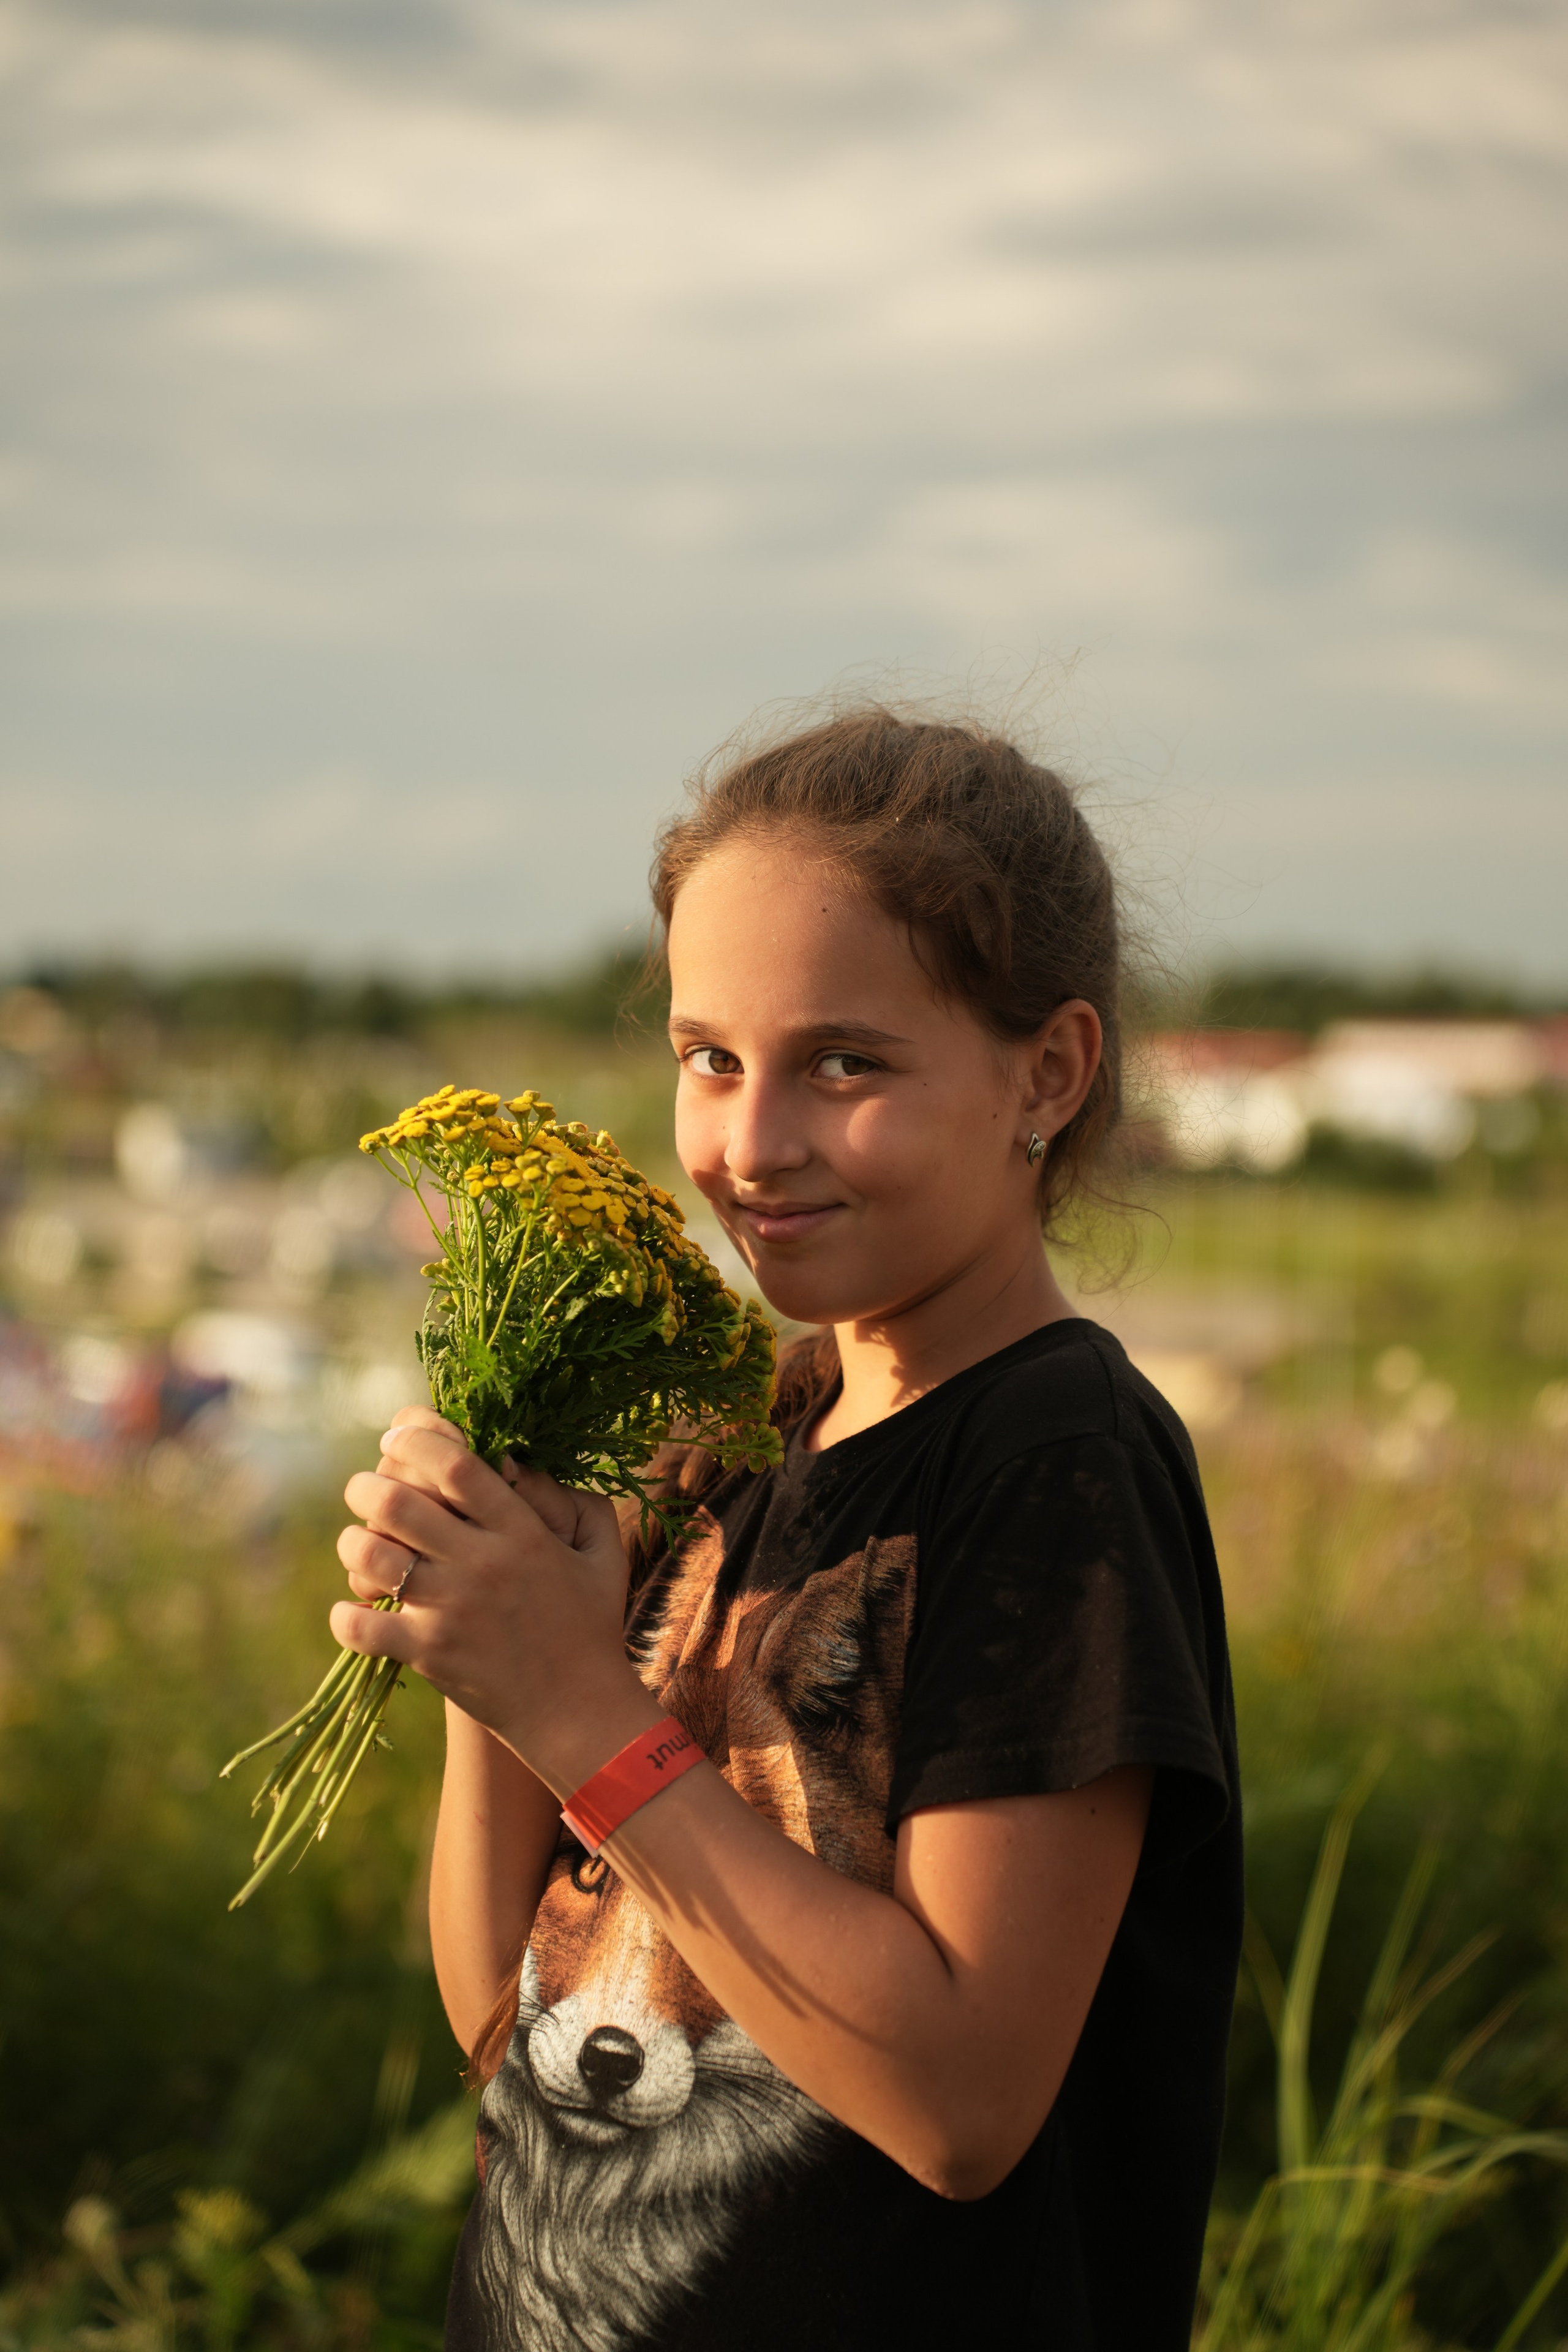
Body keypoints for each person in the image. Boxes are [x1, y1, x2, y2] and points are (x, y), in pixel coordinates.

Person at [333, 708, 1243, 2352]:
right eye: (710, 1057)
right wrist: (490, 1654)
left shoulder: (1057, 1463)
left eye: (847, 1064)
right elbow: (508, 2032)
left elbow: (959, 2099)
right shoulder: (749, 1440)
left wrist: (575, 1708)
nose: (750, 1149)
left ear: (1048, 1072)